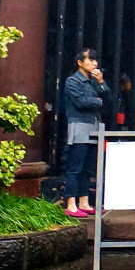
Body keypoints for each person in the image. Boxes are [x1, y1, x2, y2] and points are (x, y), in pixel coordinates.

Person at [57, 48, 108, 218]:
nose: (95, 63)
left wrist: (101, 83)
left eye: (96, 60)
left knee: (87, 169)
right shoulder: (72, 81)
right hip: (79, 127)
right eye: (90, 60)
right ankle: (71, 204)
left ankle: (84, 202)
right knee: (75, 168)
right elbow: (80, 102)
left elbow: (107, 99)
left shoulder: (93, 81)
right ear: (80, 62)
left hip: (94, 127)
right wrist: (97, 101)